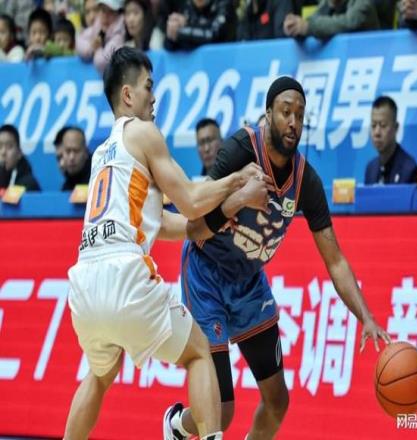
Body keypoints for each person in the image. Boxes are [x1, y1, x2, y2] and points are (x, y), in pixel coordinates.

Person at [164, 77, 391, 440]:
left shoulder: (306, 181)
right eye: (286, 112)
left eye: (300, 115)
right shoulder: (240, 149)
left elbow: (335, 260)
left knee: (277, 401)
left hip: (249, 282)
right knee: (222, 411)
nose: (293, 122)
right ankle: (177, 425)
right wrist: (239, 198)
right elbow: (195, 224)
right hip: (207, 275)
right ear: (268, 114)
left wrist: (366, 316)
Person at [63, 46, 272, 440]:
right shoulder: (143, 133)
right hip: (124, 275)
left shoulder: (103, 153)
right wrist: (237, 180)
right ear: (128, 94)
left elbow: (180, 226)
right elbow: (191, 200)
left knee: (99, 375)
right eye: (148, 86)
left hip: (84, 284)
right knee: (199, 353)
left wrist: (230, 206)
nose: (154, 96)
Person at [365, 96, 417, 185]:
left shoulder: (410, 170)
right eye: (373, 125)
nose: (377, 133)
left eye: (383, 125)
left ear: (396, 128)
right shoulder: (371, 169)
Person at [283, 0, 380, 40]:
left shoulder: (363, 3)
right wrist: (295, 27)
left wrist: (308, 27)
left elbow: (349, 23)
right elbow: (314, 19)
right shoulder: (328, 2)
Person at [164, 0, 236, 51]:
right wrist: (172, 32)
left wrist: (182, 31)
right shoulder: (187, 7)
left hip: (225, 62)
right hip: (196, 65)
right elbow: (169, 45)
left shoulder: (224, 4)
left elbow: (214, 36)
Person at [76, 0, 125, 72]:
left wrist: (98, 49)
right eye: (103, 10)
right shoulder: (97, 27)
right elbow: (80, 40)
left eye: (111, 11)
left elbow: (102, 63)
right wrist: (91, 47)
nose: (105, 15)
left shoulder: (119, 36)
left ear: (119, 14)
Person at [0, 124, 40, 191]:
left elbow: (8, 197)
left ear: (19, 153)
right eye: (0, 146)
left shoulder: (27, 183)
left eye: (9, 146)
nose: (3, 152)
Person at [59, 126, 92, 191]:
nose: (72, 157)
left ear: (86, 152)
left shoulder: (96, 179)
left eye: (76, 151)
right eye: (68, 151)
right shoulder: (66, 186)